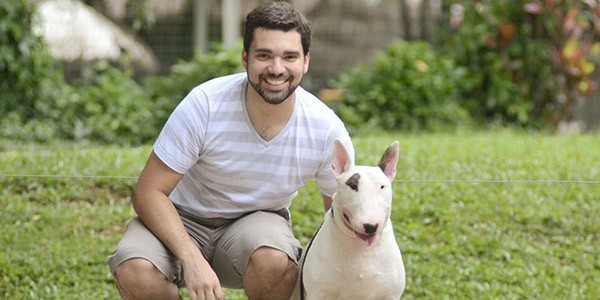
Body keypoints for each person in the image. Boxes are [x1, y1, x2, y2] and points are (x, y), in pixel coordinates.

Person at [108, 1, 354, 299]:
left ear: (306, 61)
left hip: (257, 222)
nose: (276, 69)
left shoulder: (325, 128)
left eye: (289, 56)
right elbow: (148, 193)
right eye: (264, 55)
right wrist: (191, 257)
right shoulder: (205, 104)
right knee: (135, 269)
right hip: (182, 217)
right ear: (245, 57)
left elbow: (341, 215)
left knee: (275, 260)